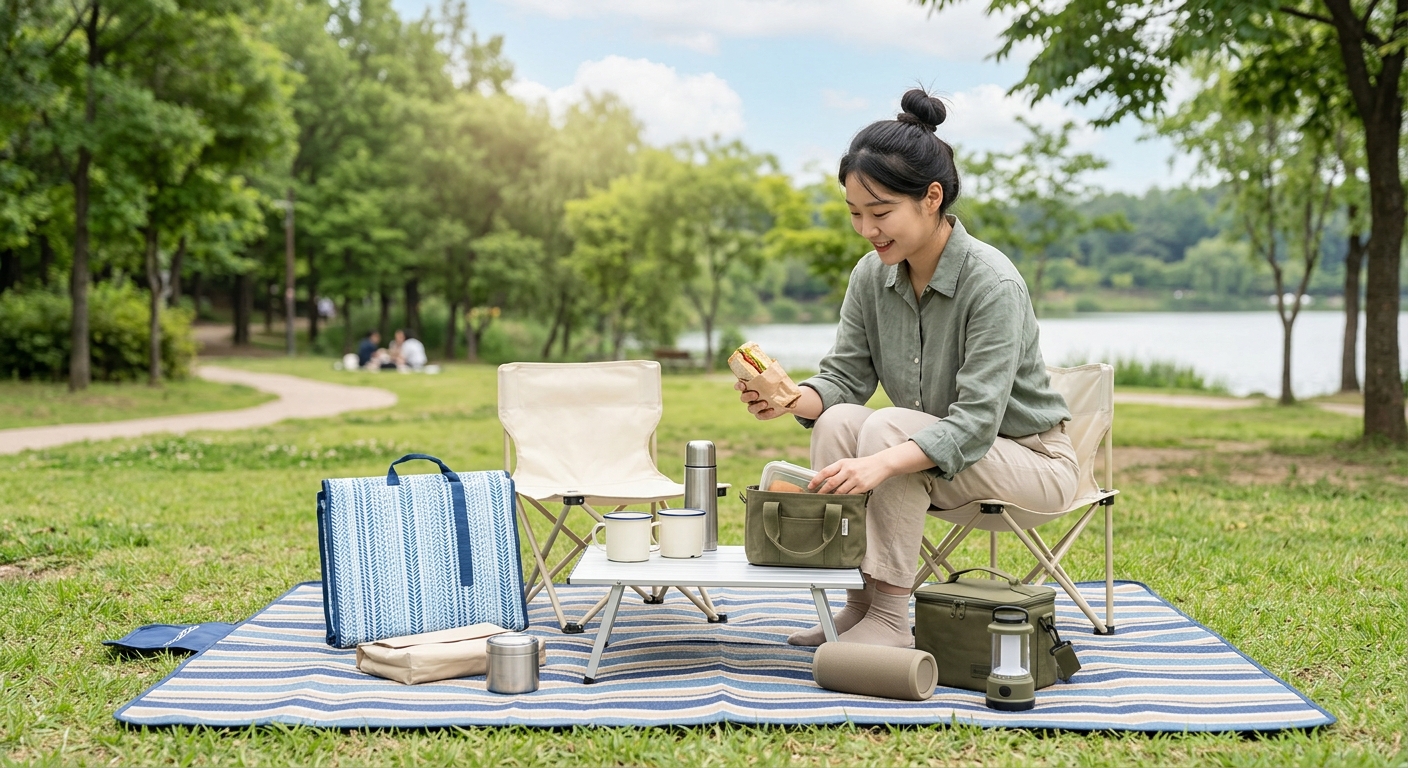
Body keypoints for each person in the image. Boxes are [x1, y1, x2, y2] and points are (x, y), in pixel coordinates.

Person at [735, 88, 1078, 648]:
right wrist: (790, 398)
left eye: (880, 212)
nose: (867, 230)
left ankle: (892, 618)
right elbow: (845, 381)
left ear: (931, 198)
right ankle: (859, 603)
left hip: (1031, 461)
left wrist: (883, 464)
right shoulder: (870, 277)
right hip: (939, 458)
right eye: (855, 214)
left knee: (885, 429)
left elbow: (973, 425)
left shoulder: (992, 283)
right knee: (839, 421)